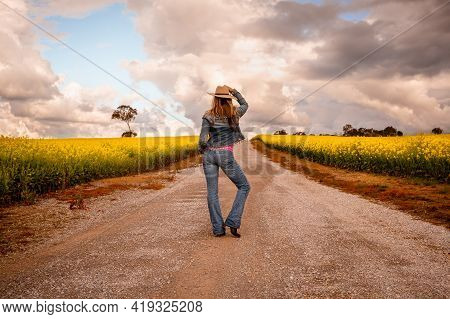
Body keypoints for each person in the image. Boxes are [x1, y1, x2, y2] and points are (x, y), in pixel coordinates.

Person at [198, 85, 251, 238]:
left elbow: (202, 140)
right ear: (228, 100)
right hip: (225, 155)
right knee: (244, 186)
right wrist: (234, 91)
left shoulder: (207, 115)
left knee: (212, 193)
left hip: (209, 154)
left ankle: (218, 229)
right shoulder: (235, 113)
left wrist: (205, 152)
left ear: (215, 99)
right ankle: (233, 221)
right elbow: (245, 104)